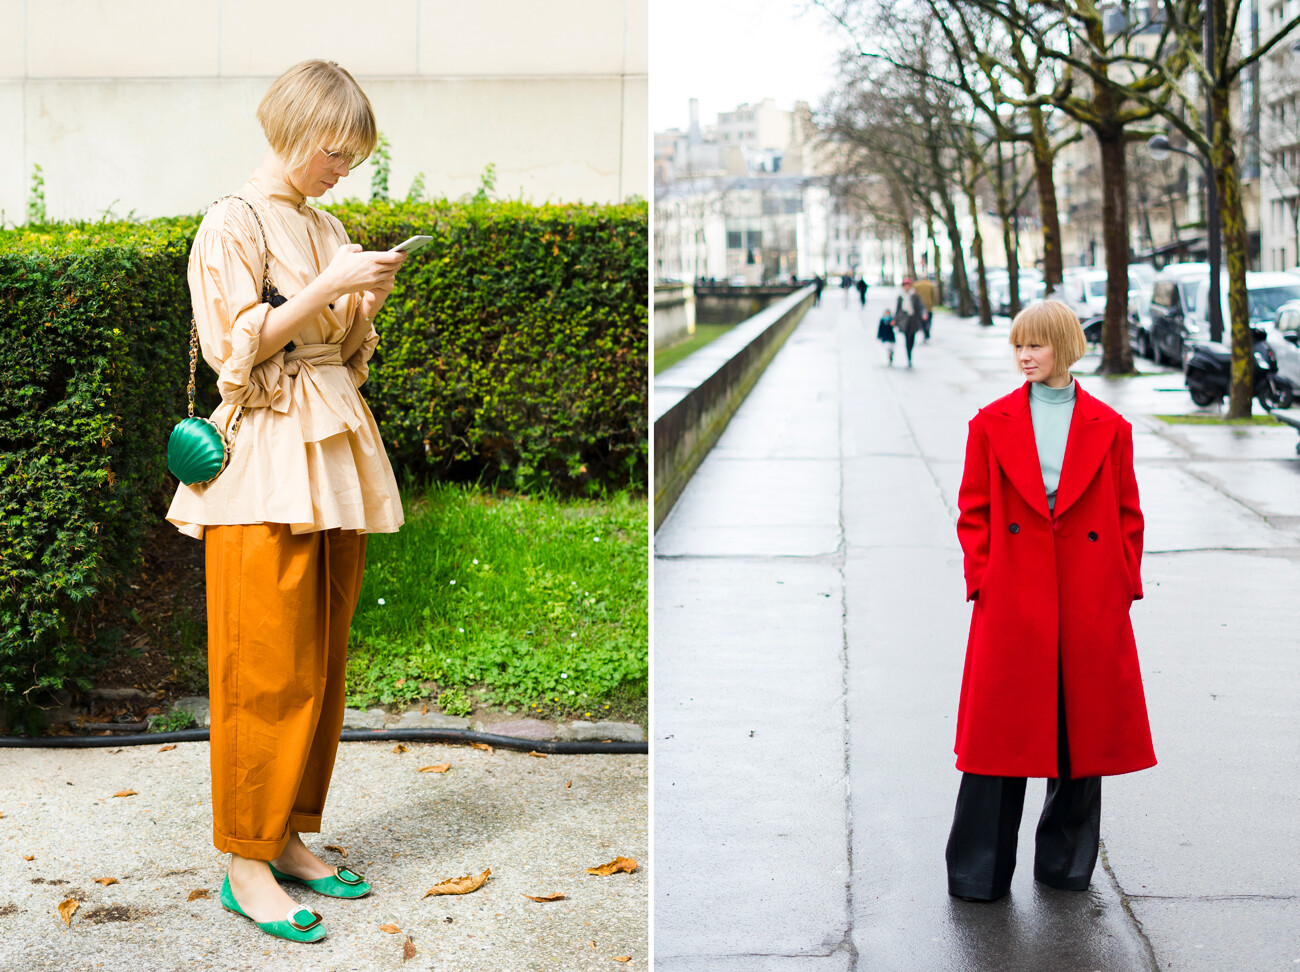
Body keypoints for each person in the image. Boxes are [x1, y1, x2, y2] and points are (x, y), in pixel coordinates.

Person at [166, 59, 409, 943]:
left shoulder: (328, 224)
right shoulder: (230, 224)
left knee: (319, 661)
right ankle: (244, 860)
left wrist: (363, 301)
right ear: (300, 134)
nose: (343, 169)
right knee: (260, 665)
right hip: (265, 459)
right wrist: (327, 288)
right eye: (336, 152)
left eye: (354, 156)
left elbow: (338, 358)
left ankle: (292, 835)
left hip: (334, 453)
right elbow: (236, 354)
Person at [945, 300, 1155, 903]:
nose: (1023, 356)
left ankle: (1064, 868)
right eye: (1017, 346)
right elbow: (974, 511)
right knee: (997, 742)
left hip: (1088, 596)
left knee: (1077, 736)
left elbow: (1127, 514)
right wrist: (985, 579)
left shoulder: (1111, 427)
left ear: (1063, 348)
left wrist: (1122, 582)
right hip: (1014, 597)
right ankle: (977, 875)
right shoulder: (990, 423)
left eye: (1034, 345)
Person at [894, 278, 925, 367]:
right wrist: (895, 320)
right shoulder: (900, 297)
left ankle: (910, 351)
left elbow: (920, 306)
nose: (906, 287)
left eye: (908, 285)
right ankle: (909, 356)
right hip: (904, 319)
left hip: (913, 319)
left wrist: (923, 314)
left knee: (912, 337)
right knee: (907, 337)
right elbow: (898, 309)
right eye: (905, 285)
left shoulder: (915, 296)